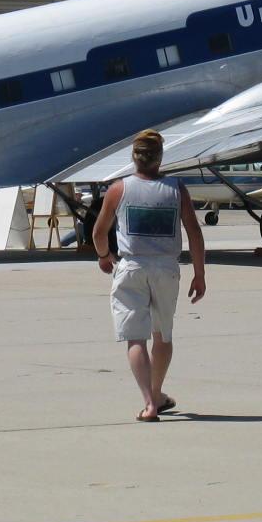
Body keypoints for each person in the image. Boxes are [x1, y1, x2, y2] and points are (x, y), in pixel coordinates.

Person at [91, 130, 206, 422]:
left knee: (135, 338)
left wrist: (104, 256)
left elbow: (99, 231)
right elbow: (194, 231)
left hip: (132, 266)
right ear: (160, 157)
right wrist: (199, 272)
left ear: (134, 157)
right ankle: (157, 391)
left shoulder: (120, 189)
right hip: (166, 268)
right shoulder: (176, 189)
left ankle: (149, 403)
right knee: (163, 335)